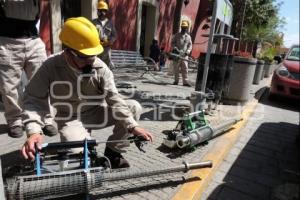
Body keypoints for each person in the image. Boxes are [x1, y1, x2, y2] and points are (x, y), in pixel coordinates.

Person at [21, 17, 153, 169]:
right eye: (85, 57)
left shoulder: (100, 68)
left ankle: (113, 152)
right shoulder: (50, 66)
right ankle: (81, 146)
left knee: (133, 107)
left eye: (94, 55)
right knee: (80, 156)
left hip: (95, 113)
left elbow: (115, 100)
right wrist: (33, 132)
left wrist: (132, 127)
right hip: (70, 118)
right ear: (68, 52)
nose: (91, 61)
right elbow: (33, 99)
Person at [0, 0, 56, 138]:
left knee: (43, 82)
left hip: (33, 40)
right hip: (8, 42)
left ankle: (45, 119)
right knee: (8, 87)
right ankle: (15, 121)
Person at [92, 0, 116, 68]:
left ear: (106, 12)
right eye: (100, 11)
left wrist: (109, 42)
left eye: (104, 11)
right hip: (96, 51)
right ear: (97, 11)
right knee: (96, 67)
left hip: (106, 52)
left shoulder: (110, 23)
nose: (102, 13)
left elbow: (114, 35)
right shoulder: (93, 23)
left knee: (107, 69)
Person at [171, 20, 192, 87]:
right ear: (181, 27)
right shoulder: (177, 35)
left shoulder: (188, 37)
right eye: (183, 27)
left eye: (185, 27)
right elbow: (172, 43)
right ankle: (176, 81)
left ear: (187, 28)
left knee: (185, 68)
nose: (184, 28)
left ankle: (185, 82)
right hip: (177, 54)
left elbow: (190, 45)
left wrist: (188, 52)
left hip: (184, 55)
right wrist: (175, 48)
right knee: (176, 68)